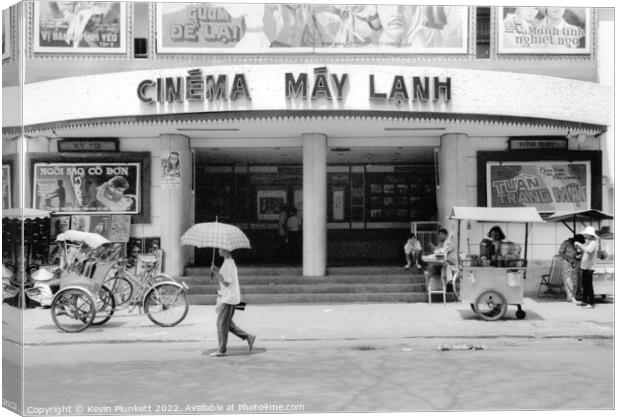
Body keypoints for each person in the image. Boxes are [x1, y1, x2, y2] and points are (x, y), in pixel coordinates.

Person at [209, 248, 256, 357]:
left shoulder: (228, 264)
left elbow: (226, 282)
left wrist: (216, 272)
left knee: (221, 323)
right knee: (228, 324)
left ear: (226, 250)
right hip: (229, 297)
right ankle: (249, 337)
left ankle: (221, 350)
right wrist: (216, 272)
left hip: (229, 298)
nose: (219, 250)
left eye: (220, 248)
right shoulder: (228, 262)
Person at [574, 226, 599, 309]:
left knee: (588, 285)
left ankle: (591, 303)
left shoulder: (593, 243)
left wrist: (579, 244)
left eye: (586, 234)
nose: (585, 235)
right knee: (584, 285)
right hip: (585, 267)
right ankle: (585, 301)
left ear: (590, 235)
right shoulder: (589, 242)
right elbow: (585, 251)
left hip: (589, 267)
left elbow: (588, 251)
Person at [557, 234, 585, 303]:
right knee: (568, 280)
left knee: (575, 280)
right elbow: (560, 252)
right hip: (566, 263)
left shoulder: (577, 245)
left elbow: (578, 254)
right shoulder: (566, 243)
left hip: (574, 264)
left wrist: (579, 255)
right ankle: (570, 297)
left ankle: (573, 297)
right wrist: (569, 259)